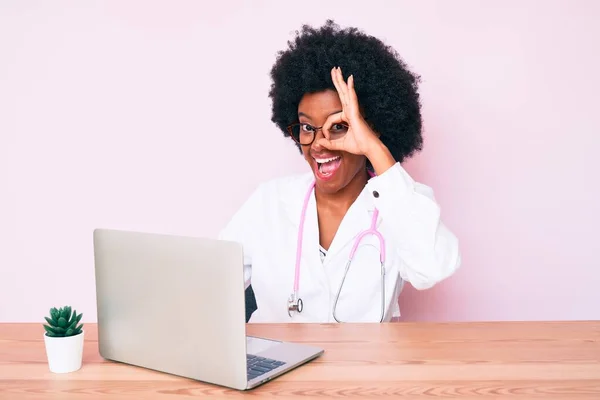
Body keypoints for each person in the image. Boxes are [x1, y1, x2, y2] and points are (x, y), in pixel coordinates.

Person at [219, 20, 461, 323]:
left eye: (340, 127)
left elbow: (433, 267)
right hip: (274, 366)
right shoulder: (269, 201)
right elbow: (208, 283)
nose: (319, 143)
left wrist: (374, 149)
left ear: (371, 129)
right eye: (307, 127)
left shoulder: (401, 202)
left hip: (363, 367)